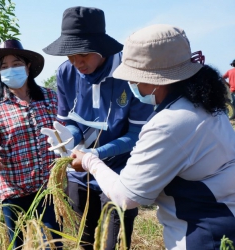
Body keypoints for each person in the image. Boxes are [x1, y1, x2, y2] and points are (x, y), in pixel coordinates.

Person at [71, 24, 235, 250]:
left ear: (155, 80)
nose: (132, 85)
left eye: (134, 79)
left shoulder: (170, 123)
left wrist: (90, 161)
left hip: (204, 234)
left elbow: (125, 196)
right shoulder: (204, 105)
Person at [40, 6, 154, 250]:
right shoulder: (66, 73)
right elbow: (71, 120)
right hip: (80, 173)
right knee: (85, 238)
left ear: (102, 47)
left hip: (118, 171)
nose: (77, 63)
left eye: (83, 55)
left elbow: (136, 135)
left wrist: (96, 155)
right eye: (70, 56)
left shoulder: (130, 73)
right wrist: (69, 135)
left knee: (111, 240)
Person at [0, 39, 62, 249]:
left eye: (16, 64)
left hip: (47, 189)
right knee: (18, 245)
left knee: (53, 244)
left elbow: (65, 135)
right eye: (4, 67)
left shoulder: (51, 99)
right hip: (13, 191)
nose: (10, 70)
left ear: (28, 67)